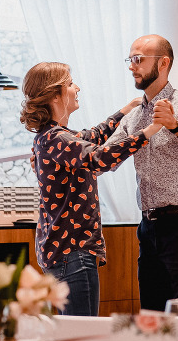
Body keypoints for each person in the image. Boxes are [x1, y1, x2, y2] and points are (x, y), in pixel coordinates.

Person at [19, 62, 162, 316]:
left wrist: (125, 111)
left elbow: (91, 136)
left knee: (75, 334)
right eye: (71, 83)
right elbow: (99, 158)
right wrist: (148, 131)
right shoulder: (56, 138)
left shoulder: (51, 136)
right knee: (82, 338)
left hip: (64, 253)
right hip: (72, 253)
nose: (77, 88)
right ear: (55, 94)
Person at [104, 34, 178, 312]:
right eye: (130, 59)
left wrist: (177, 127)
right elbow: (105, 159)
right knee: (152, 317)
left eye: (138, 59)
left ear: (163, 63)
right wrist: (60, 149)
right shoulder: (133, 117)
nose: (132, 66)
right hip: (148, 228)